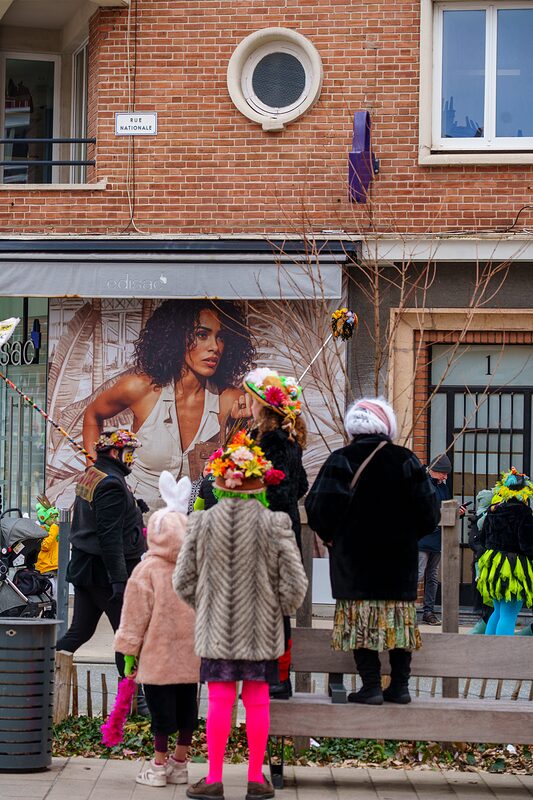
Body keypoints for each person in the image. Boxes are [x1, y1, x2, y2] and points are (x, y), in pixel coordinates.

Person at [173, 430, 308, 800]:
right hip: (261, 632)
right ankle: (255, 779)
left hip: (217, 631)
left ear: (220, 481)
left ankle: (214, 778)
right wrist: (274, 609)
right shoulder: (275, 524)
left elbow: (183, 581)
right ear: (258, 481)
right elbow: (295, 585)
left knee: (218, 700)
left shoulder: (202, 524)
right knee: (258, 700)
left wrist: (208, 607)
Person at [305, 397, 439, 705]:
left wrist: (332, 537)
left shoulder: (341, 460)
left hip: (355, 566)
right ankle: (400, 686)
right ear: (386, 425)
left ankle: (371, 685)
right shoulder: (406, 460)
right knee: (400, 626)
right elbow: (429, 514)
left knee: (359, 625)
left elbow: (318, 508)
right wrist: (405, 536)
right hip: (398, 564)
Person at [82, 300, 256, 509]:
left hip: (194, 529)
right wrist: (96, 478)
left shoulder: (230, 400)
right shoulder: (140, 388)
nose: (214, 347)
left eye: (221, 338)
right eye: (202, 335)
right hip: (136, 525)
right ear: (177, 337)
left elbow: (239, 473)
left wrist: (241, 427)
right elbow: (92, 414)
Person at [114, 471, 200, 788]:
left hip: (157, 654)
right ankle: (181, 763)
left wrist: (127, 651)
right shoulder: (195, 566)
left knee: (161, 711)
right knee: (187, 707)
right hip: (191, 654)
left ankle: (159, 765)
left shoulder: (147, 570)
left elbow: (134, 615)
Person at [56, 430, 146, 684]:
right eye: (130, 454)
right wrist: (118, 580)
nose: (133, 459)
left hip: (89, 568)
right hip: (105, 574)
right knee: (127, 635)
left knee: (79, 632)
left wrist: (135, 508)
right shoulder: (110, 483)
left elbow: (97, 517)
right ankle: (133, 703)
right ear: (115, 453)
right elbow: (108, 536)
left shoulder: (95, 475)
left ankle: (36, 670)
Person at [242, 367, 308, 700]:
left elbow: (281, 487)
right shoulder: (288, 440)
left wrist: (245, 485)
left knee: (266, 606)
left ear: (262, 406)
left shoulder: (271, 441)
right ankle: (275, 677)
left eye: (251, 401)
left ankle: (274, 678)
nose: (247, 405)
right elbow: (302, 485)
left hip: (267, 534)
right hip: (283, 530)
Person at [477, 467, 533, 636]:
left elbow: (483, 538)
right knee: (509, 614)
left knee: (498, 611)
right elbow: (527, 544)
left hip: (493, 566)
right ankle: (502, 656)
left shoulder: (494, 510)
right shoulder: (524, 513)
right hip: (513, 568)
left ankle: (488, 652)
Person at [417, 454, 466, 626]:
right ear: (434, 470)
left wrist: (457, 511)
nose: (445, 477)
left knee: (432, 576)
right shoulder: (421, 483)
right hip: (422, 538)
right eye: (443, 473)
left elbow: (446, 508)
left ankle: (428, 612)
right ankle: (406, 609)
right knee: (418, 573)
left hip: (438, 538)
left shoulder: (443, 487)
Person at [467, 488, 494, 634]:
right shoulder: (485, 516)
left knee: (487, 598)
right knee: (487, 598)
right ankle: (484, 627)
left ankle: (485, 626)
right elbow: (474, 541)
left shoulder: (485, 515)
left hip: (482, 561)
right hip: (484, 562)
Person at [34, 493, 60, 598]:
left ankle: (54, 611)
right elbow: (45, 546)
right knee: (50, 592)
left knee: (57, 593)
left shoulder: (55, 530)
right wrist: (54, 530)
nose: (55, 520)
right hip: (46, 567)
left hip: (56, 566)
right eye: (52, 517)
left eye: (56, 517)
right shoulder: (42, 530)